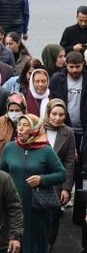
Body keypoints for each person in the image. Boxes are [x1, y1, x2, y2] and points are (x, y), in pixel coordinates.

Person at [0, 114, 67, 253]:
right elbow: (0, 174)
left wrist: (42, 179)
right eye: (19, 125)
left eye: (25, 125)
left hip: (37, 209)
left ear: (35, 128)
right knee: (13, 245)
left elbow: (62, 174)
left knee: (36, 246)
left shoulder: (46, 150)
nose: (21, 128)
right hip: (13, 207)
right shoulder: (10, 147)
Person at [41, 99, 76, 251]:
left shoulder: (68, 132)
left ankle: (50, 245)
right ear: (48, 113)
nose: (57, 118)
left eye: (61, 114)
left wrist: (66, 188)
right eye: (54, 114)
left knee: (53, 216)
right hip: (37, 178)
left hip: (56, 182)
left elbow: (69, 162)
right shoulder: (38, 128)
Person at [49, 51, 87, 146]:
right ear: (66, 64)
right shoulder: (57, 79)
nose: (74, 70)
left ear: (83, 64)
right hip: (63, 127)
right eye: (71, 67)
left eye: (78, 66)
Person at [0, 92, 27, 163]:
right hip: (3, 165)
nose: (14, 114)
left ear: (23, 110)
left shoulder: (31, 123)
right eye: (11, 110)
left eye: (17, 110)